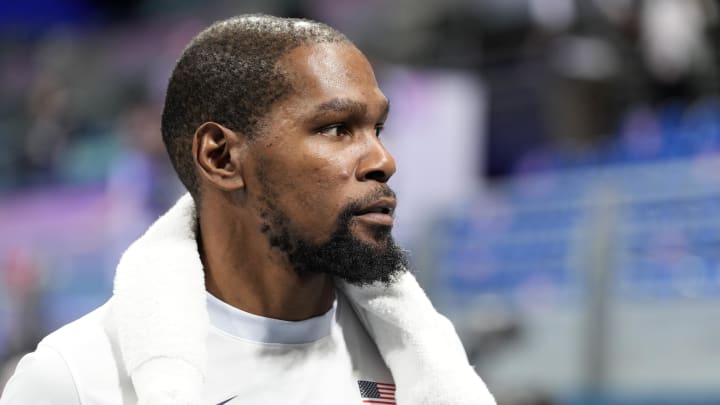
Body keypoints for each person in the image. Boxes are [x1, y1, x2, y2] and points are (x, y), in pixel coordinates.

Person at [0, 14, 495, 405]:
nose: (383, 161)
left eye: (377, 130)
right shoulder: (77, 381)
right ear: (221, 156)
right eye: (336, 128)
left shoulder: (420, 366)